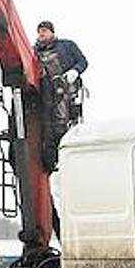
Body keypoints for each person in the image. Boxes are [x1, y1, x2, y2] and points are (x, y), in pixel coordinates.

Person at [34, 20, 88, 171]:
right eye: (39, 31)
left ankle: (62, 158)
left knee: (60, 123)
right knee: (46, 127)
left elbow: (83, 61)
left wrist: (74, 72)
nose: (41, 34)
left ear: (52, 32)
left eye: (44, 31)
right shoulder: (34, 52)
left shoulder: (67, 45)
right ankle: (49, 160)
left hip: (63, 89)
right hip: (43, 93)